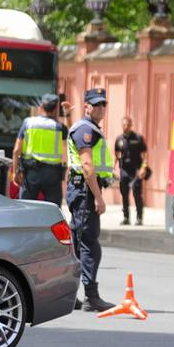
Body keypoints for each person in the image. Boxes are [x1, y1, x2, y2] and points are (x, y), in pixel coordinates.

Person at [67, 88, 116, 313]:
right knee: (89, 246)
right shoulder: (85, 129)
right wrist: (99, 198)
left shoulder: (91, 129)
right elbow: (87, 166)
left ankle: (69, 294)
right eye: (95, 104)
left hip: (82, 192)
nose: (100, 108)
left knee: (78, 245)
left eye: (103, 104)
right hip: (85, 193)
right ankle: (90, 297)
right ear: (86, 105)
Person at [12, 93, 68, 206]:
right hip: (52, 174)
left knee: (25, 208)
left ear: (41, 106)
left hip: (31, 173)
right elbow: (71, 143)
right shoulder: (59, 127)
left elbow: (16, 150)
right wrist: (68, 115)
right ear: (56, 108)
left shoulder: (28, 123)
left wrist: (15, 171)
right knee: (53, 211)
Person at [114, 116, 148, 226]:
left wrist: (144, 167)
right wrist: (113, 168)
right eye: (124, 125)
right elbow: (116, 154)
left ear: (131, 125)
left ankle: (139, 218)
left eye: (128, 125)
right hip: (124, 171)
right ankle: (126, 218)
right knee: (124, 195)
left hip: (136, 171)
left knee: (137, 194)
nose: (126, 127)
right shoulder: (119, 139)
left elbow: (145, 154)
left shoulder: (138, 138)